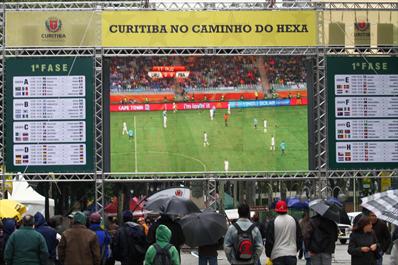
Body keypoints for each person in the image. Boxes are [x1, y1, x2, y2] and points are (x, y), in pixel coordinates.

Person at [265, 200, 302, 265]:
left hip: (277, 255)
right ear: (286, 209)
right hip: (291, 254)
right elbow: (299, 237)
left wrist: (269, 254)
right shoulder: (294, 220)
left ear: (276, 210)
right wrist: (296, 249)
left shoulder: (273, 222)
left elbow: (269, 241)